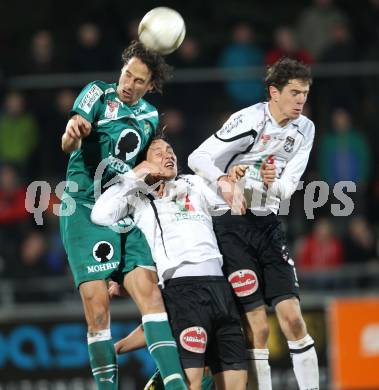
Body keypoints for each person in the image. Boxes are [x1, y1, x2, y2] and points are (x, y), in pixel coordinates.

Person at [60, 41, 187, 390]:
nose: (128, 83)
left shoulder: (149, 117)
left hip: (124, 206)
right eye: (126, 74)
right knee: (97, 308)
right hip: (82, 206)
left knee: (151, 295)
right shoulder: (98, 93)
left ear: (150, 86)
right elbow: (72, 135)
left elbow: (146, 167)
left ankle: (176, 386)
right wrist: (73, 132)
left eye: (138, 80)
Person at [188, 58, 319, 390]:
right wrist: (225, 182)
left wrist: (270, 183)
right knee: (257, 328)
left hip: (268, 226)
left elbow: (287, 188)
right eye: (294, 93)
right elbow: (197, 158)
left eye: (304, 93)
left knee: (292, 319)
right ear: (273, 92)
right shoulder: (248, 120)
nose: (301, 100)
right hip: (231, 227)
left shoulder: (305, 128)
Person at [91, 137, 248, 390]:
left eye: (171, 150)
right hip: (182, 290)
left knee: (236, 383)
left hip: (221, 289)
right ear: (144, 162)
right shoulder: (138, 198)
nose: (168, 155)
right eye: (158, 153)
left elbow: (230, 205)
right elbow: (100, 214)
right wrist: (136, 173)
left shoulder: (193, 183)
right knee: (193, 383)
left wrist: (235, 184)